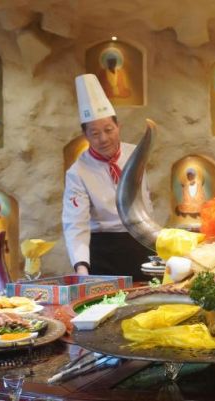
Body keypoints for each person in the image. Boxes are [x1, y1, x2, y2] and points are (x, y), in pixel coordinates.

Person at [62, 74, 151, 280]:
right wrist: (81, 268)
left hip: (140, 242)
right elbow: (76, 223)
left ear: (118, 127)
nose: (103, 139)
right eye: (94, 133)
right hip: (103, 251)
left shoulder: (136, 154)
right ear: (85, 135)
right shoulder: (77, 172)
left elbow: (145, 203)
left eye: (108, 130)